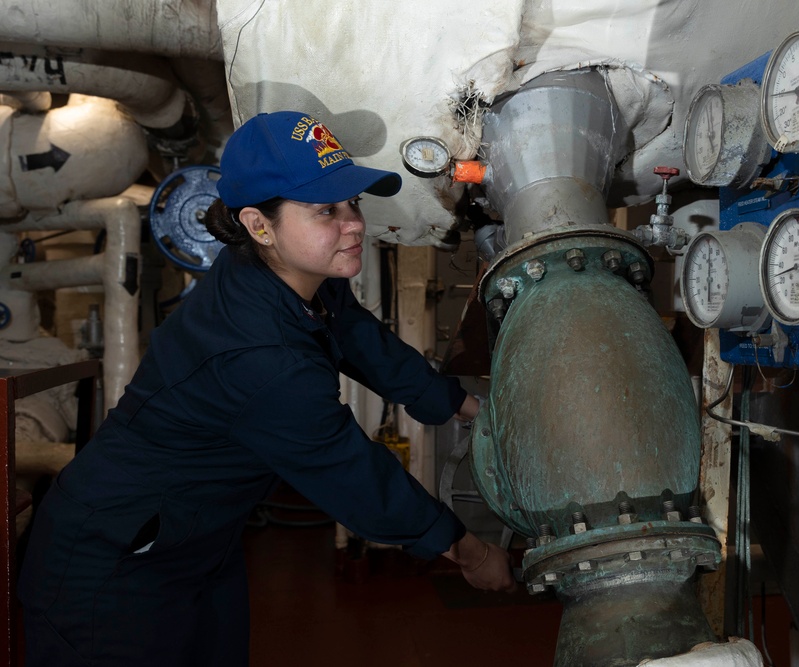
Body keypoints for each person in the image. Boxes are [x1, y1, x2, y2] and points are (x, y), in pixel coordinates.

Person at [18, 110, 516, 667]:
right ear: (259, 224)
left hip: (197, 539)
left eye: (353, 204)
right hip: (112, 563)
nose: (353, 223)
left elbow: (363, 342)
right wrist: (472, 553)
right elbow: (356, 475)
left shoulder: (285, 272)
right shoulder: (263, 360)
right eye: (326, 210)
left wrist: (475, 410)